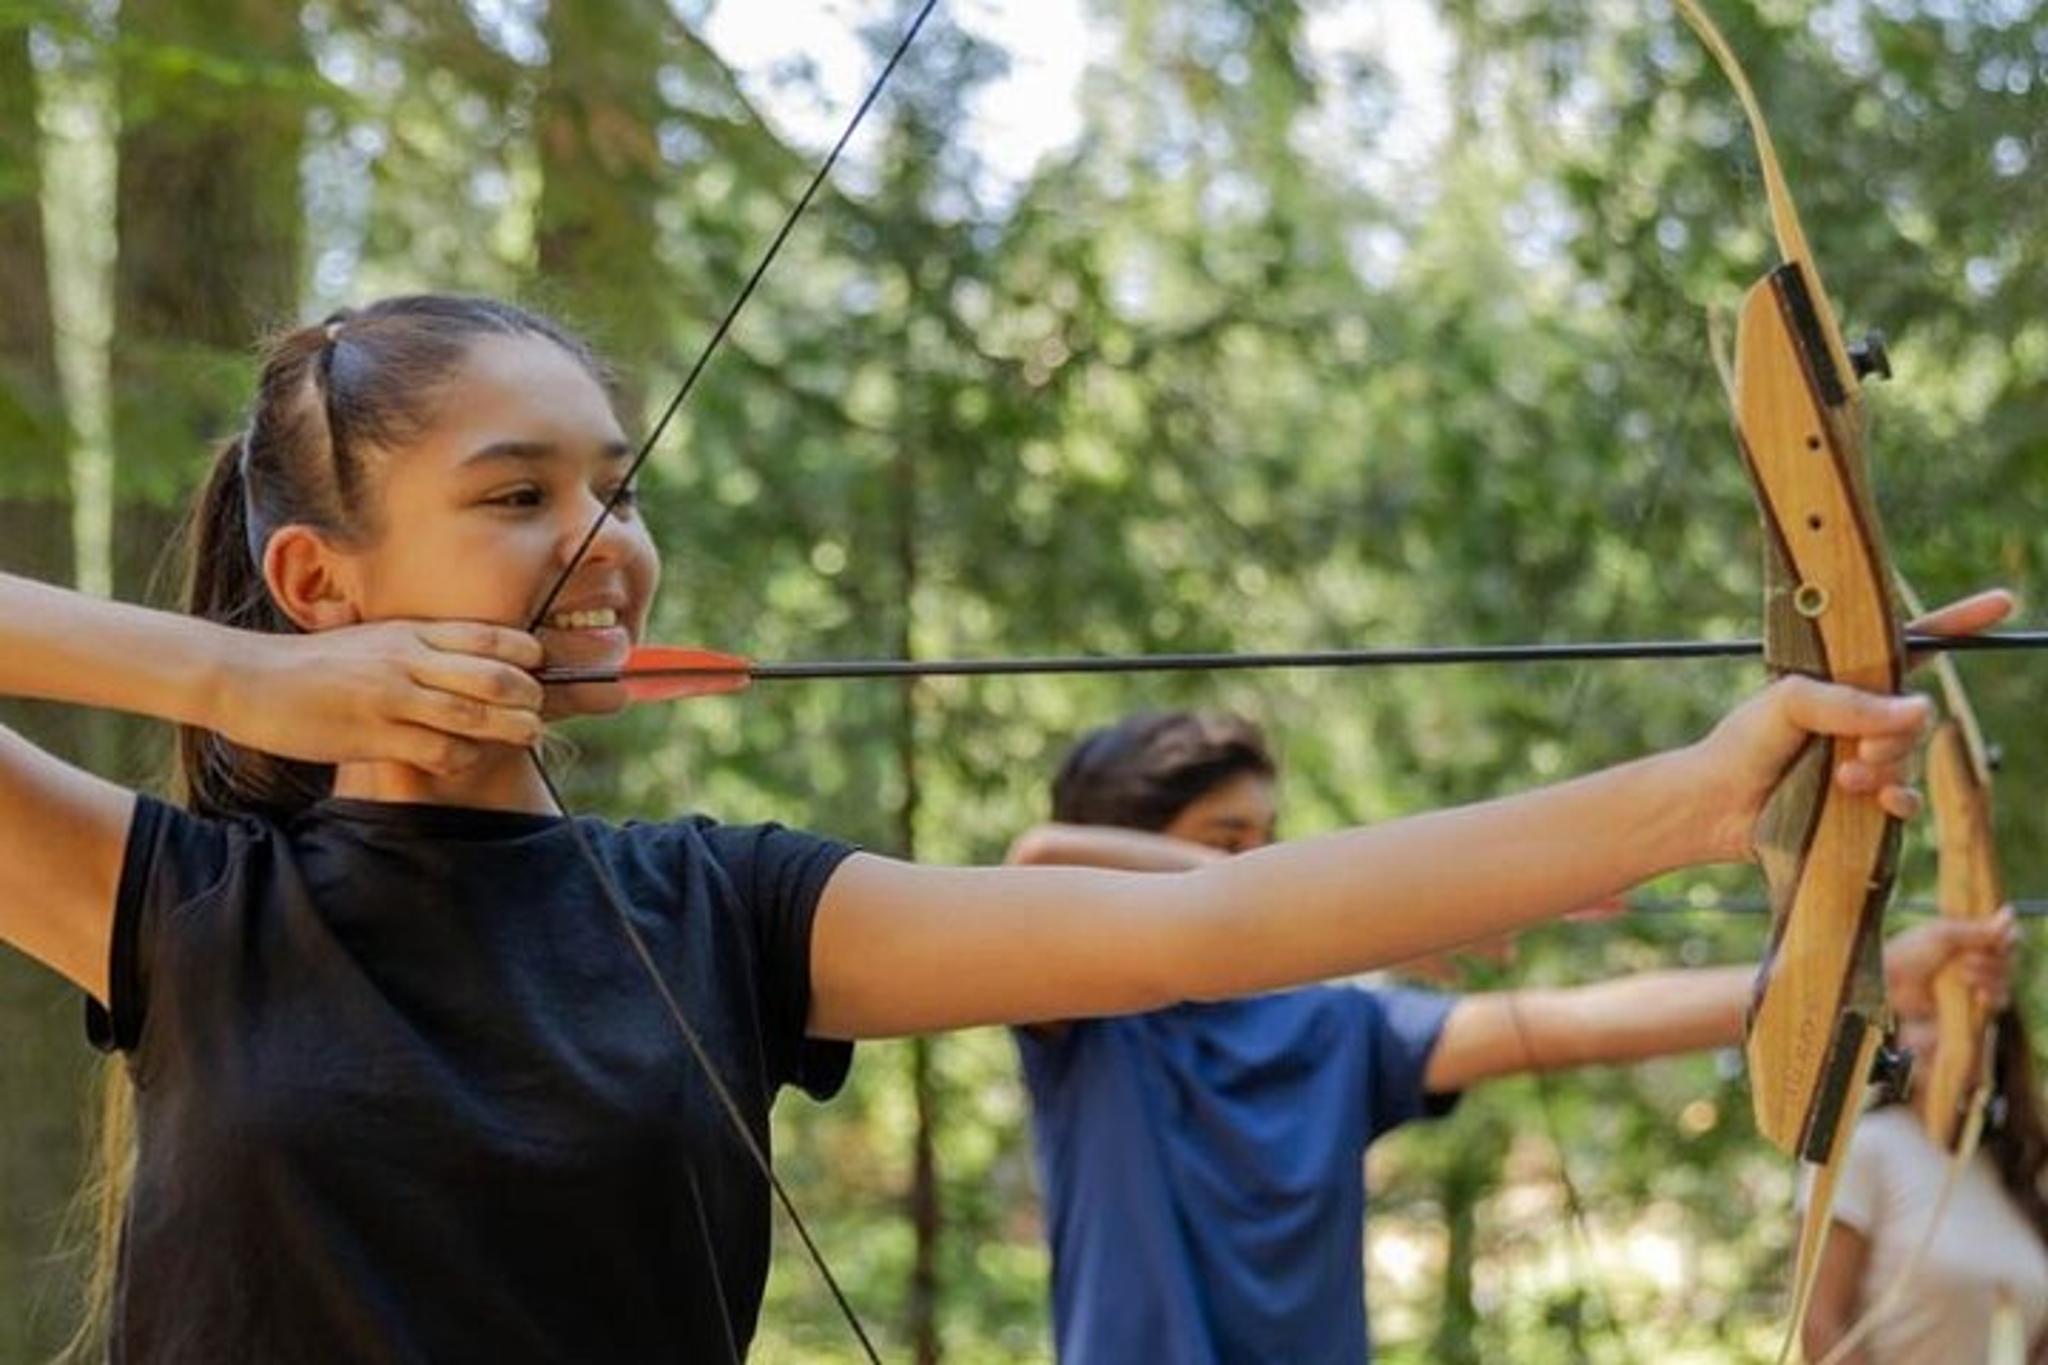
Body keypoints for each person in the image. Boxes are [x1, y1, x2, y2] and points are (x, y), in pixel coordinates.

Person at [0, 294, 2006, 1362]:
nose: (606, 546)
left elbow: (1213, 933)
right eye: (519, 496)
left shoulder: (726, 909)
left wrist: (1703, 781)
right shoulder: (177, 905)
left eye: (616, 485)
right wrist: (231, 682)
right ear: (320, 575)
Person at [1006, 709, 2019, 1364]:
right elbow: (1041, 856)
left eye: (1267, 845)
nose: (1260, 868)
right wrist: (1389, 902)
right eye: (1228, 845)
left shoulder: (1337, 1026)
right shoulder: (1087, 1022)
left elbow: (1577, 1024)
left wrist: (1869, 973)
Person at [1802, 1001, 2048, 1364]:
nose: (1944, 1037)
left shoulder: (2016, 1174)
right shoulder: (1865, 1147)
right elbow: (1820, 1326)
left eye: (1965, 1018)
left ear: (1997, 1043)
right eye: (1923, 1017)